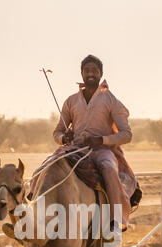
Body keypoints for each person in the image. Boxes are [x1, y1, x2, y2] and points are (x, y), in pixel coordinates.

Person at [30, 54, 137, 237]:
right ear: (81, 73)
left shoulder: (111, 100)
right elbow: (57, 132)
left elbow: (126, 135)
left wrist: (102, 140)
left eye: (94, 70)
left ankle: (115, 221)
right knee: (42, 168)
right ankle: (30, 217)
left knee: (109, 169)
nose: (90, 74)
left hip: (102, 150)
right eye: (86, 70)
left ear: (101, 73)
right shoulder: (71, 101)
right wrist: (64, 138)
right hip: (74, 148)